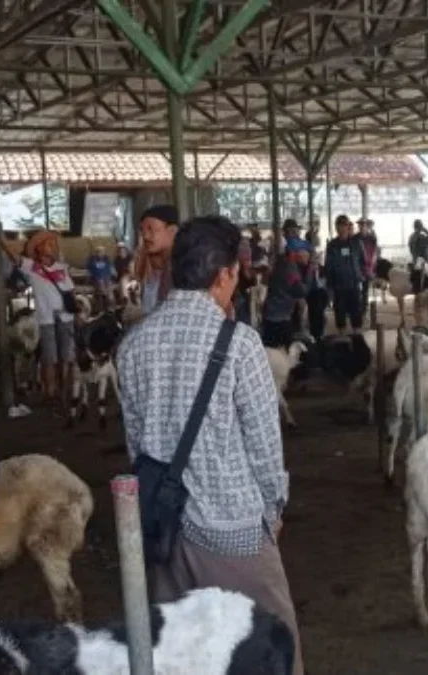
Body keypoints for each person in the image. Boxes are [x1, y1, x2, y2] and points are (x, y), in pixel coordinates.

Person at [116, 215, 302, 675]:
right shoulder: (240, 344)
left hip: (164, 530)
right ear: (224, 275)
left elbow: (137, 444)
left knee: (183, 654)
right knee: (271, 646)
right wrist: (273, 510)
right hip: (234, 527)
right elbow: (264, 444)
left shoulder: (134, 344)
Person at [2, 230, 75, 400]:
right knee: (50, 357)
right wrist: (2, 241)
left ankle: (64, 389)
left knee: (65, 355)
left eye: (52, 243)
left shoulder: (61, 268)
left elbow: (71, 291)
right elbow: (14, 256)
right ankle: (51, 391)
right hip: (46, 318)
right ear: (39, 249)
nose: (53, 246)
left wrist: (75, 311)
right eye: (48, 244)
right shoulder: (32, 267)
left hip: (65, 316)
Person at [323, 215, 366, 335]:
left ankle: (357, 335)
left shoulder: (357, 243)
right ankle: (342, 336)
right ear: (336, 227)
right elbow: (328, 265)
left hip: (354, 283)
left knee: (356, 311)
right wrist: (329, 286)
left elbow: (363, 261)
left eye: (344, 225)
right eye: (339, 225)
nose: (342, 228)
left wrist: (361, 276)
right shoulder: (332, 245)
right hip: (338, 285)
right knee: (339, 311)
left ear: (348, 227)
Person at [262, 240, 308, 349]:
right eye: (305, 252)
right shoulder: (290, 268)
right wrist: (310, 272)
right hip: (279, 317)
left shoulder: (281, 262)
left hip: (271, 313)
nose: (307, 255)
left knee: (270, 350)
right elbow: (301, 291)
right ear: (294, 253)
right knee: (284, 352)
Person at [134, 205, 179, 315]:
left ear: (172, 231)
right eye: (142, 231)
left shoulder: (182, 271)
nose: (145, 236)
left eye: (151, 229)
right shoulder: (148, 271)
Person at [354, 219, 379, 323]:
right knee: (356, 290)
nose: (363, 226)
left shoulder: (372, 238)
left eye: (365, 225)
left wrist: (372, 268)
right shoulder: (354, 238)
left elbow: (374, 252)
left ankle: (363, 311)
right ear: (359, 226)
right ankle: (357, 310)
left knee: (365, 291)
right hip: (357, 268)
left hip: (368, 268)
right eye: (361, 225)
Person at [86, 245, 115, 311]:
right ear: (95, 252)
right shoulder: (92, 259)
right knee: (101, 283)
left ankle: (110, 304)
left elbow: (110, 268)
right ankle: (106, 304)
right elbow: (89, 267)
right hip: (96, 278)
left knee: (109, 287)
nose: (100, 253)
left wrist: (113, 273)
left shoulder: (107, 259)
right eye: (98, 251)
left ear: (104, 252)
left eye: (102, 251)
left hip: (106, 278)